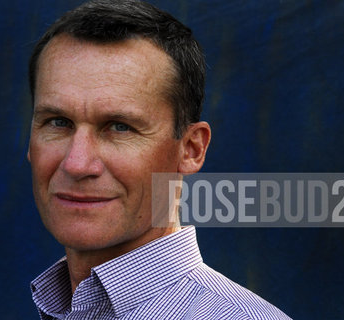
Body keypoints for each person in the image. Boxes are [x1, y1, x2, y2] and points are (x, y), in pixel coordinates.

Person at [27, 0, 291, 319]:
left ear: (191, 150)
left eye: (120, 127)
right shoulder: (59, 304)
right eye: (58, 122)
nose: (77, 163)